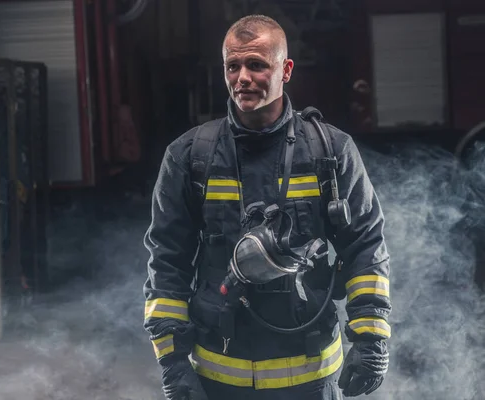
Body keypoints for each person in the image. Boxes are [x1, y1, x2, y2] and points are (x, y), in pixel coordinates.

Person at [143, 14, 392, 400]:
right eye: (233, 65)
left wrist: (371, 336)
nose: (242, 77)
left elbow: (365, 247)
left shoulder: (330, 151)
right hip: (218, 378)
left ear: (286, 69)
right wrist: (173, 365)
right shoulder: (189, 156)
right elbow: (167, 262)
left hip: (311, 376)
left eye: (256, 64)